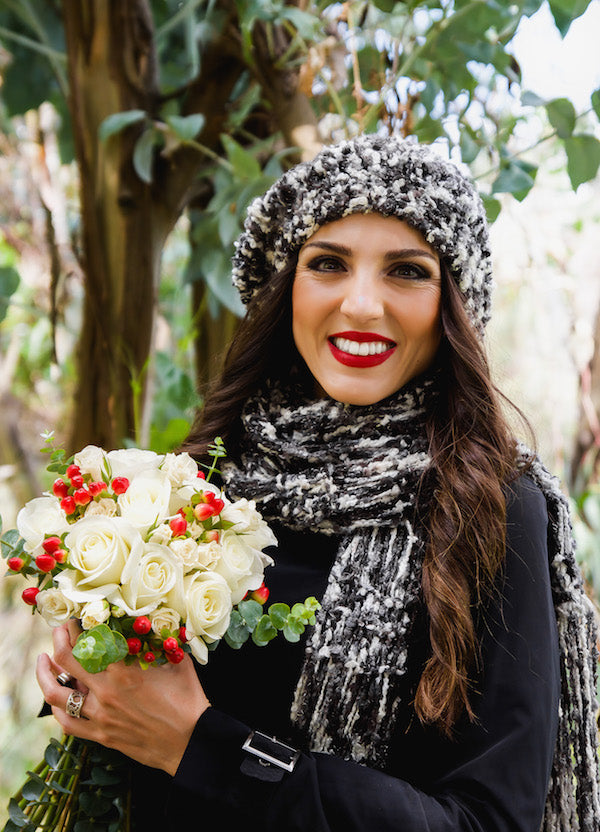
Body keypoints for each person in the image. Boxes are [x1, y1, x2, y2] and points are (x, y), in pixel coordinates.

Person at [37, 133, 600, 831]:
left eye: (407, 271)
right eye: (328, 263)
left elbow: (489, 822)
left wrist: (204, 746)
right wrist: (86, 683)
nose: (362, 305)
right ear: (286, 288)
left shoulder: (491, 505)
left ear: (452, 302)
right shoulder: (212, 475)